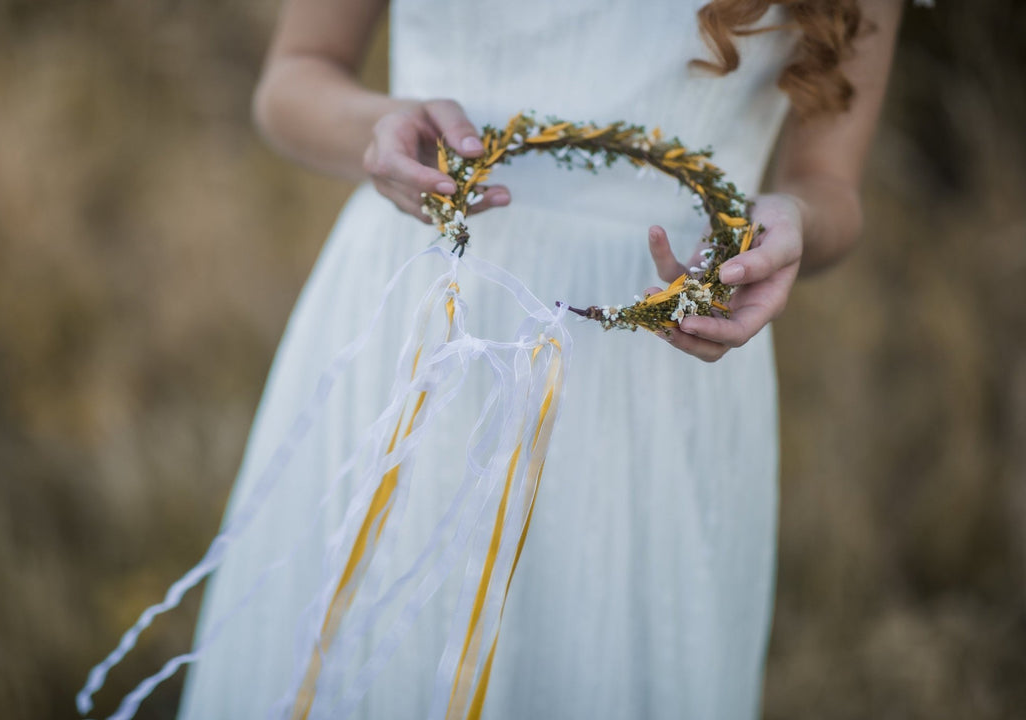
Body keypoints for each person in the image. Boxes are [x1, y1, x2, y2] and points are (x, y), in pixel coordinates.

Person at [178, 1, 903, 718]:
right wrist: (376, 127)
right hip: (426, 315)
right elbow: (294, 79)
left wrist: (796, 219)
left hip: (667, 349)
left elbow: (829, 183)